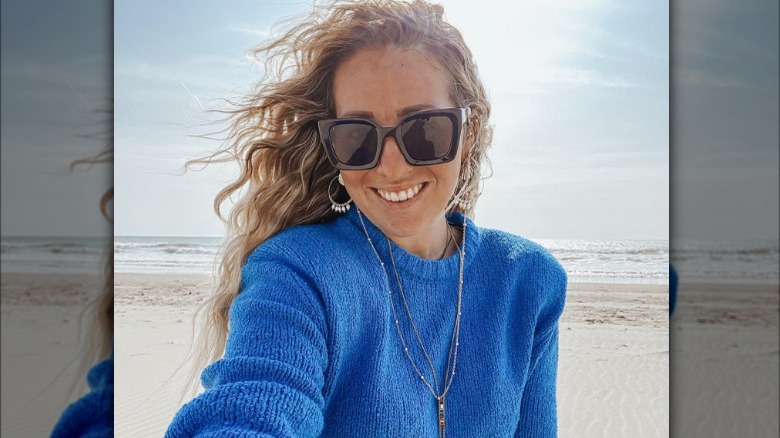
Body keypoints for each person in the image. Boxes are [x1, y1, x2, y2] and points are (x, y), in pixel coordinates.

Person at [166, 0, 567, 436]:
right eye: (357, 136)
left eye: (424, 130)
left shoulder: (528, 280)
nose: (391, 167)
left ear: (466, 134)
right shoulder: (297, 273)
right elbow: (254, 406)